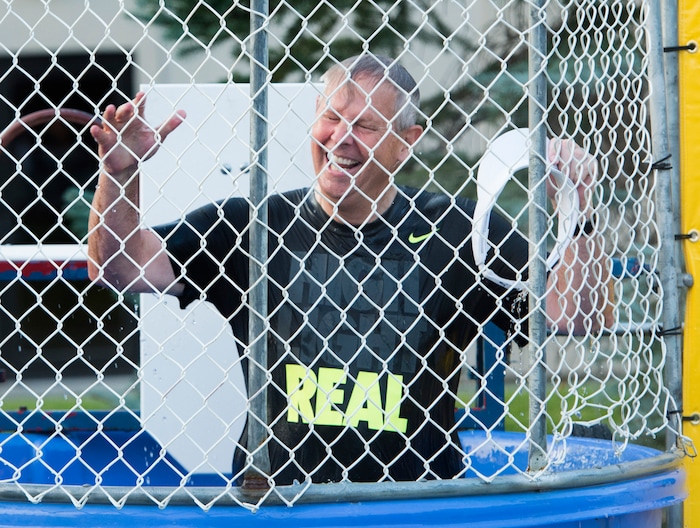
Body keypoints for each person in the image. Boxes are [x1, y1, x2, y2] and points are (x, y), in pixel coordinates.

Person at [88, 54, 612, 485]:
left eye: (365, 125)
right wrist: (120, 175)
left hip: (418, 505)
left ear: (407, 140)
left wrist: (579, 207)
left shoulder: (458, 230)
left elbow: (576, 317)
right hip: (278, 504)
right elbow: (117, 265)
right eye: (333, 118)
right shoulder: (254, 223)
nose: (342, 139)